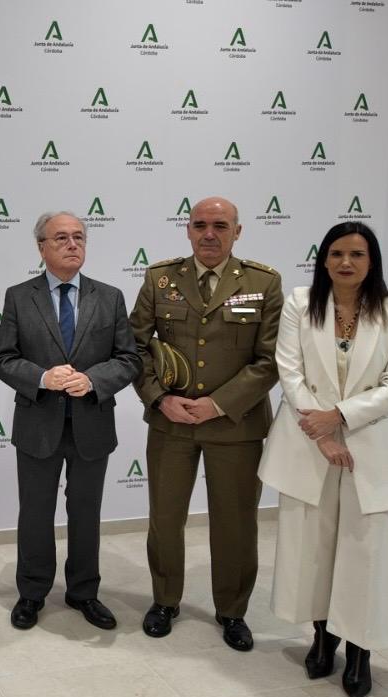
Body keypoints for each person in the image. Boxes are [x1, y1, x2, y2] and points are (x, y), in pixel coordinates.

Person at [259, 222, 388, 697]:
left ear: (372, 261)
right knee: (313, 548)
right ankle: (323, 637)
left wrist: (340, 416)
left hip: (371, 446)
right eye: (336, 253)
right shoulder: (301, 302)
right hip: (309, 444)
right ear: (324, 259)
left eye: (357, 254)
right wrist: (323, 433)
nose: (346, 262)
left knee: (363, 553)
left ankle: (361, 650)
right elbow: (290, 372)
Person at [128, 196, 282, 651]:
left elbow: (270, 359)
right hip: (171, 422)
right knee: (165, 518)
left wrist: (218, 404)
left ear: (238, 231)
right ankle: (165, 600)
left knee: (236, 523)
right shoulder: (160, 278)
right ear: (188, 229)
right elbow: (134, 347)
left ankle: (232, 610)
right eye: (200, 225)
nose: (209, 234)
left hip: (235, 426)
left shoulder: (264, 282)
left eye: (220, 225)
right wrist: (159, 398)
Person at [0, 212, 140, 631]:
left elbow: (129, 358)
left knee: (86, 513)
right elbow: (3, 359)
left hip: (92, 424)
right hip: (38, 424)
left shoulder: (109, 296)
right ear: (41, 247)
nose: (72, 244)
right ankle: (32, 592)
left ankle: (84, 591)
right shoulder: (19, 296)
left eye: (79, 237)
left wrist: (92, 380)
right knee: (35, 514)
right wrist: (43, 377)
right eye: (61, 238)